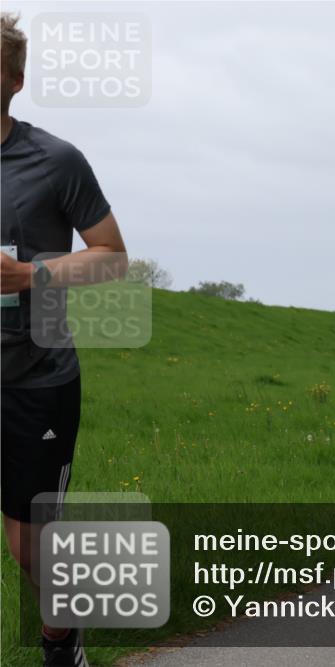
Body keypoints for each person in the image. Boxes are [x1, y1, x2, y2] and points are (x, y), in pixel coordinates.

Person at [1, 13, 128, 667]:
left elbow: (111, 257)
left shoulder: (54, 161)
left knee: (29, 541)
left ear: (14, 80)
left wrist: (32, 273)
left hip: (36, 378)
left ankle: (61, 639)